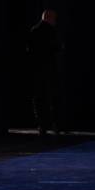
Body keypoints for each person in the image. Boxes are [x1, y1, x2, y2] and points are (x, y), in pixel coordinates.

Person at [26, 9, 62, 137]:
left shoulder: (34, 30)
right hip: (49, 69)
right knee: (52, 98)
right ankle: (55, 124)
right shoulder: (51, 31)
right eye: (54, 19)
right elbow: (56, 47)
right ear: (48, 18)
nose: (55, 21)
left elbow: (29, 50)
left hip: (36, 70)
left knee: (39, 98)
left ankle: (42, 125)